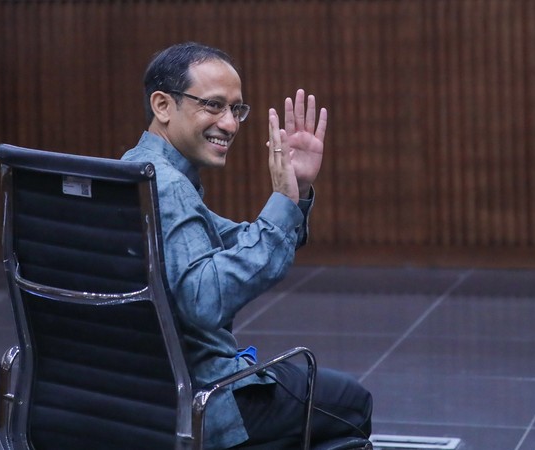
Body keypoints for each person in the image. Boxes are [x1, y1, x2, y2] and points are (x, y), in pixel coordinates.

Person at [121, 42, 372, 449]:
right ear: (163, 105)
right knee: (351, 402)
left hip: (132, 397)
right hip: (203, 402)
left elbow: (231, 238)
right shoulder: (166, 187)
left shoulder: (132, 169)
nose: (231, 124)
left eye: (236, 110)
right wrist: (283, 201)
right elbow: (203, 301)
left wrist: (296, 190)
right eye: (214, 105)